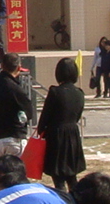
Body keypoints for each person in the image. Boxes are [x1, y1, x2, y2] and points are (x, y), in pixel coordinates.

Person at [37, 56, 87, 194]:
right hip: (73, 135)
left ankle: (63, 201)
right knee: (72, 176)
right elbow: (77, 115)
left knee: (58, 177)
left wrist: (41, 131)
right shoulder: (79, 93)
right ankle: (76, 201)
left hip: (56, 135)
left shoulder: (55, 92)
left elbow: (45, 116)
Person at [0, 52, 34, 164]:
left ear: (2, 66)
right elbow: (29, 112)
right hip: (14, 136)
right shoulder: (15, 88)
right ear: (18, 68)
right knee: (16, 171)